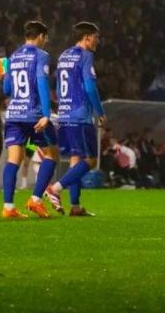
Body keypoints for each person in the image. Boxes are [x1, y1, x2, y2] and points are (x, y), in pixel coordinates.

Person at [45, 22, 106, 217]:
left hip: (64, 114)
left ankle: (75, 206)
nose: (98, 40)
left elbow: (55, 85)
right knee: (90, 160)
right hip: (80, 115)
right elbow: (89, 87)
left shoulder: (64, 55)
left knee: (75, 160)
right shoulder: (86, 56)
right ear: (87, 37)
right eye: (96, 36)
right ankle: (55, 188)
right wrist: (100, 111)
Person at [0, 21, 58, 219]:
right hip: (33, 114)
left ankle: (8, 207)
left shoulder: (13, 57)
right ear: (41, 36)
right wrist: (46, 115)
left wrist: (2, 75)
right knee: (52, 155)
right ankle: (35, 200)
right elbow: (42, 83)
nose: (47, 41)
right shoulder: (41, 56)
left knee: (13, 159)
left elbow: (6, 90)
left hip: (14, 114)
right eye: (46, 37)